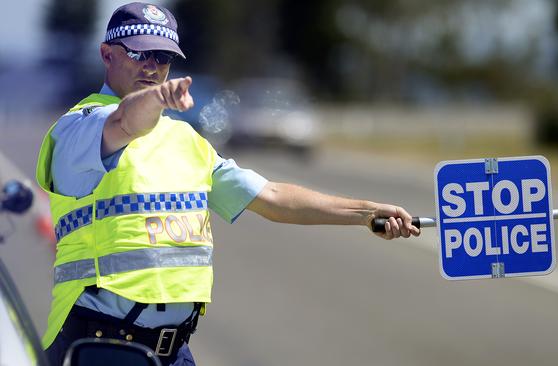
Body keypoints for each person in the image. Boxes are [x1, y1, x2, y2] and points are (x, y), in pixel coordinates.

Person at [36, 3, 420, 365]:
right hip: (98, 345)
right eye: (140, 54)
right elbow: (124, 123)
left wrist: (367, 212)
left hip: (173, 350)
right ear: (107, 55)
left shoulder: (186, 141)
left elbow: (272, 197)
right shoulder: (80, 125)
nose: (153, 67)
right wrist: (156, 99)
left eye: (163, 58)